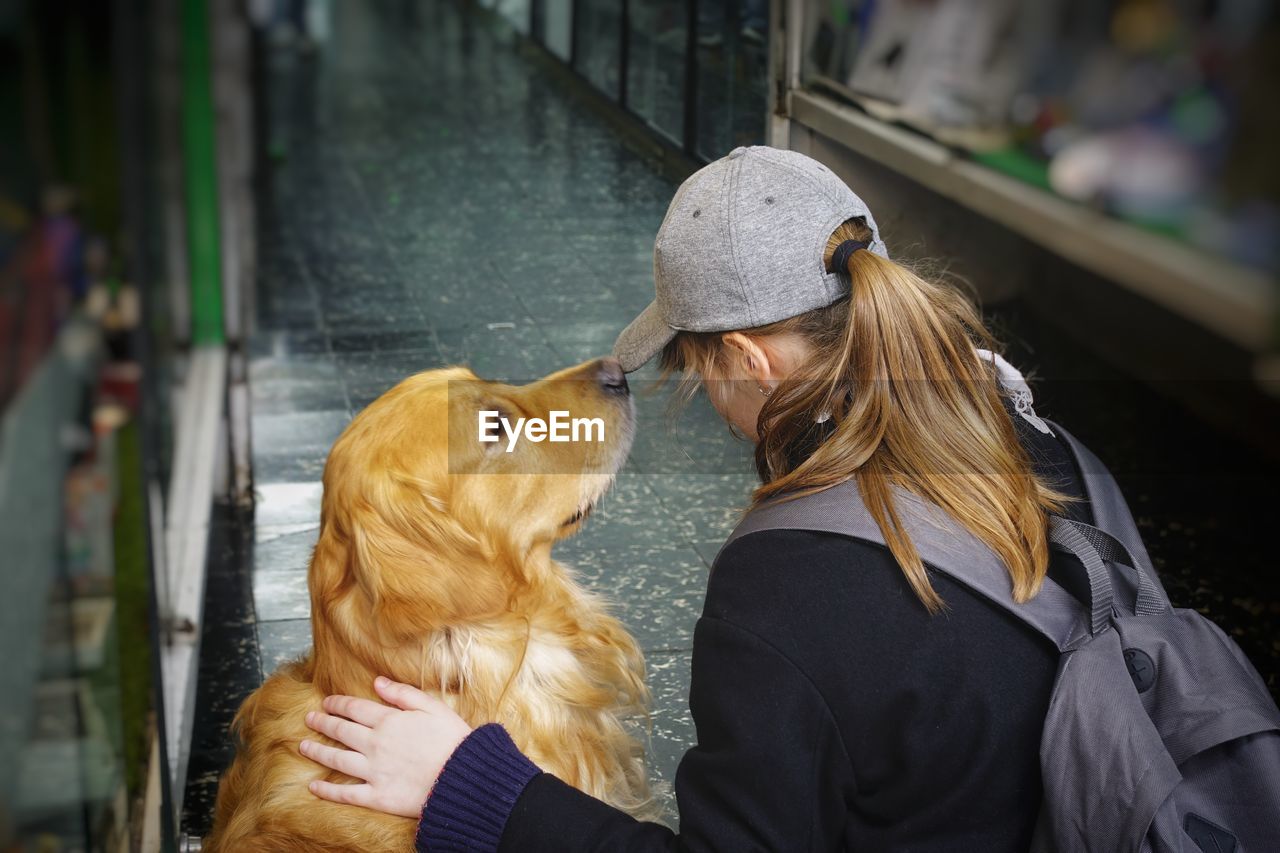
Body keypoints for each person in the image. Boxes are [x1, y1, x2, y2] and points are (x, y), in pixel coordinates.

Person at [297, 146, 1096, 851]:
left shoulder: (790, 587)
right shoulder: (1042, 444)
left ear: (747, 360)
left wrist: (471, 784)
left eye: (697, 367)